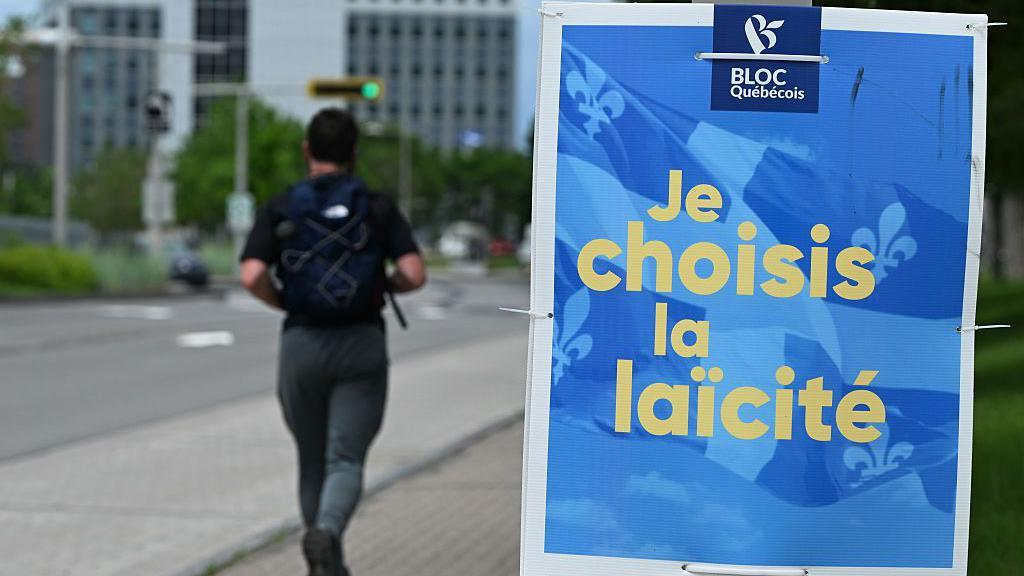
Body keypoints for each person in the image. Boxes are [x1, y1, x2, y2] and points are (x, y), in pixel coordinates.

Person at [239, 107, 426, 576]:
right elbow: (414, 273)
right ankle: (325, 535)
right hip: (361, 343)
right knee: (344, 459)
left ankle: (325, 562)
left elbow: (252, 274)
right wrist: (383, 286)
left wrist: (283, 301)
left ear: (307, 150)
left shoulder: (282, 205)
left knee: (311, 460)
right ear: (354, 153)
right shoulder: (377, 206)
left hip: (302, 344)